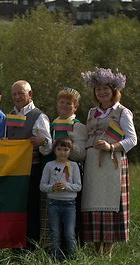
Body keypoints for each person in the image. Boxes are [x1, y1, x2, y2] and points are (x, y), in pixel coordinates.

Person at [80, 67, 137, 257]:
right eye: (98, 89)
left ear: (114, 90)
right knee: (92, 204)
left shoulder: (122, 112)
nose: (102, 92)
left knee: (111, 204)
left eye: (105, 89)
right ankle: (97, 252)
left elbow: (132, 139)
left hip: (113, 163)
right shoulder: (91, 113)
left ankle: (109, 254)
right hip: (92, 164)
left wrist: (112, 147)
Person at [6, 80, 52, 250]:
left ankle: (30, 248)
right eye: (15, 94)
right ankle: (15, 246)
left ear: (30, 95)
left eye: (21, 93)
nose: (17, 97)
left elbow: (48, 148)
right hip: (13, 171)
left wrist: (43, 141)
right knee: (15, 209)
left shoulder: (39, 116)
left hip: (32, 169)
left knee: (31, 210)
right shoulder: (9, 115)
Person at [50, 88, 87, 245]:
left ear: (75, 106)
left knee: (72, 212)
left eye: (68, 103)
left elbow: (81, 154)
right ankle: (55, 247)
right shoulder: (52, 124)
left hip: (72, 172)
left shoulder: (78, 127)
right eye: (62, 102)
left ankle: (73, 246)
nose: (64, 106)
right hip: (53, 171)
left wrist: (67, 143)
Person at [40, 137, 82, 260]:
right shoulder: (49, 165)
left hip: (70, 205)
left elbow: (78, 186)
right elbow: (42, 186)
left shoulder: (74, 166)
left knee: (69, 234)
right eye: (59, 149)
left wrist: (66, 186)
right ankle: (55, 259)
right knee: (55, 233)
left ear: (70, 150)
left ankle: (74, 259)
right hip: (53, 204)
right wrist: (53, 188)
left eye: (66, 149)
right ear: (54, 150)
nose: (62, 152)